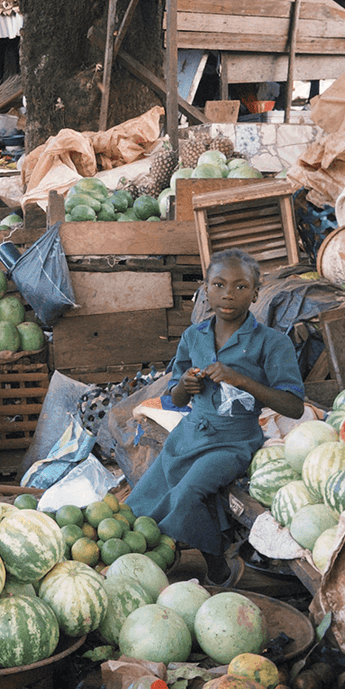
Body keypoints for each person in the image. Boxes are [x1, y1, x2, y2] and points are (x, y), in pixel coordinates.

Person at [124, 249, 305, 587]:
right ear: (205, 288)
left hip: (235, 441)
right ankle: (156, 560)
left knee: (186, 494)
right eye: (219, 285)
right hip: (192, 432)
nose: (228, 295)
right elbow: (175, 398)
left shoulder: (271, 342)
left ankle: (218, 563)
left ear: (255, 293)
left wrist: (242, 380)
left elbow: (293, 406)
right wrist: (186, 386)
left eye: (240, 287)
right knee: (141, 501)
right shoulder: (194, 336)